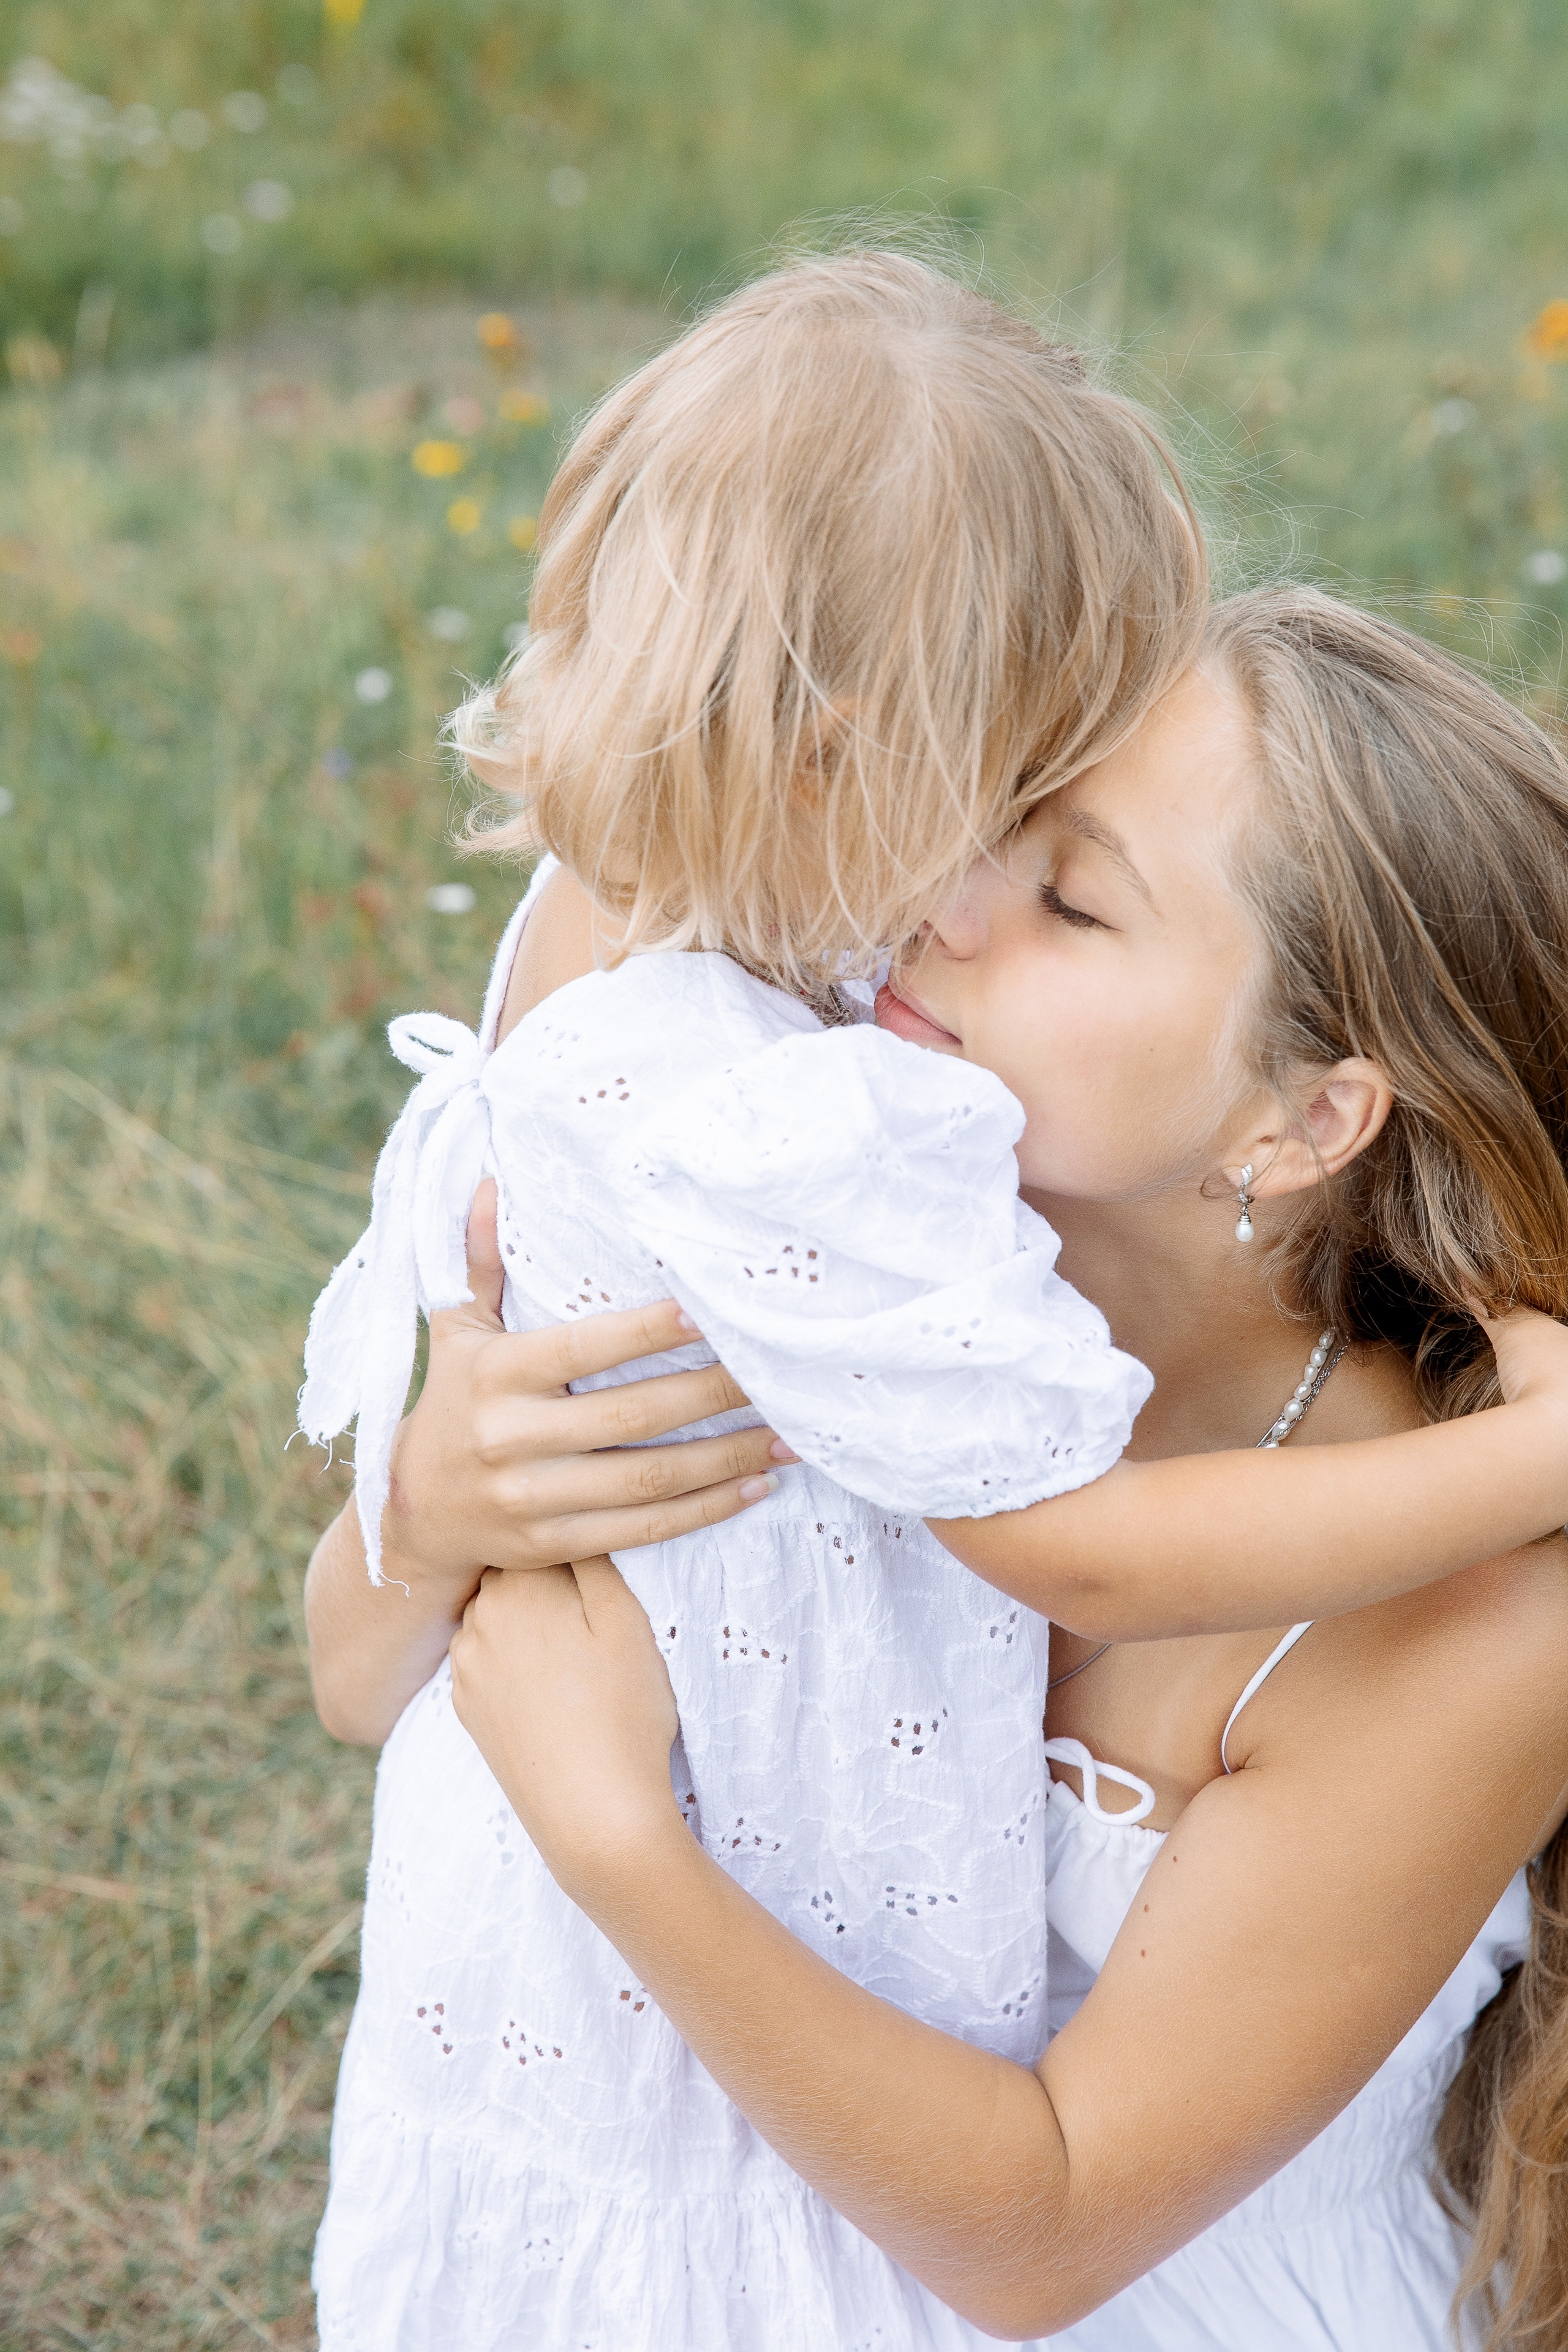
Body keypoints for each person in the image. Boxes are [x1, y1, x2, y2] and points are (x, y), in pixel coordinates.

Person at [300, 251, 1568, 2349]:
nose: (941, 900)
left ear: (1305, 1116)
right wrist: (431, 1510)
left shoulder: (1463, 1588)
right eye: (984, 808)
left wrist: (622, 1843)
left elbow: (1036, 2246)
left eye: (1070, 897)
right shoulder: (829, 1226)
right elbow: (361, 1682)